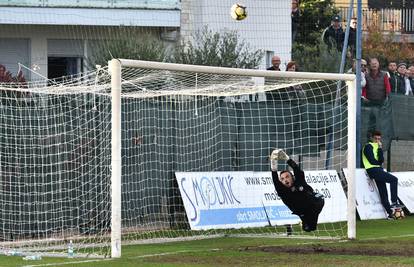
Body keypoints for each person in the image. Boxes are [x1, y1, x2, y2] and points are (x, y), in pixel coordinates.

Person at [270, 149, 325, 232]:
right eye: (282, 179)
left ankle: (310, 217)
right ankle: (299, 224)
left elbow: (296, 168)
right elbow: (274, 178)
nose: (285, 180)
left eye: (287, 177)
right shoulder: (282, 190)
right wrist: (273, 161)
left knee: (319, 197)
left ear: (292, 177)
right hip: (301, 211)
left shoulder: (299, 181)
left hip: (314, 204)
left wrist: (287, 158)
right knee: (309, 229)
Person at [362, 130, 402, 219]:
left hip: (378, 169)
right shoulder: (368, 146)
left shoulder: (378, 146)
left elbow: (381, 160)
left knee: (383, 192)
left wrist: (380, 148)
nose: (377, 140)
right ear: (371, 138)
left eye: (379, 139)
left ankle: (390, 214)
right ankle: (394, 201)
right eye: (375, 138)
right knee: (393, 179)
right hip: (372, 170)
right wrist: (378, 162)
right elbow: (372, 161)